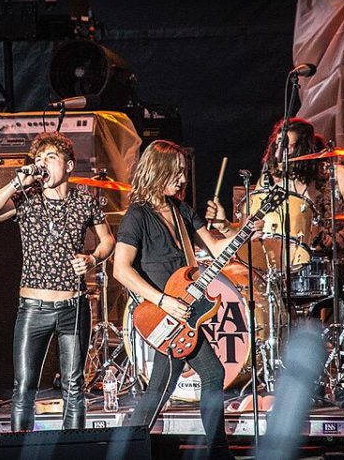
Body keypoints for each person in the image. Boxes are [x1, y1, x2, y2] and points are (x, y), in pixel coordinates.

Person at [113, 140, 251, 459]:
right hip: (164, 315)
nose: (183, 178)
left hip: (185, 313)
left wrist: (246, 229)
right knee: (162, 390)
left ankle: (214, 450)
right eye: (176, 172)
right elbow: (121, 269)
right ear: (156, 172)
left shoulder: (181, 210)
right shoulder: (137, 216)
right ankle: (133, 450)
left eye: (183, 171)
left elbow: (217, 249)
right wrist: (162, 301)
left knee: (197, 378)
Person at [0, 131, 115, 431]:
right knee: (24, 386)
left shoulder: (85, 201)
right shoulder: (26, 199)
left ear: (68, 166)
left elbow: (108, 241)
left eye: (50, 158)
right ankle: (21, 446)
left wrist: (92, 258)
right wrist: (16, 182)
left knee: (74, 386)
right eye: (38, 159)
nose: (42, 164)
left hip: (73, 306)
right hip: (33, 309)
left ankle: (73, 449)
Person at [206, 117, 344, 265]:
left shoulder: (337, 175)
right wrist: (224, 225)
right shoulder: (269, 182)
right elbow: (248, 236)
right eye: (277, 147)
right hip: (284, 270)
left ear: (305, 149)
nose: (280, 154)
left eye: (288, 147)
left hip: (332, 270)